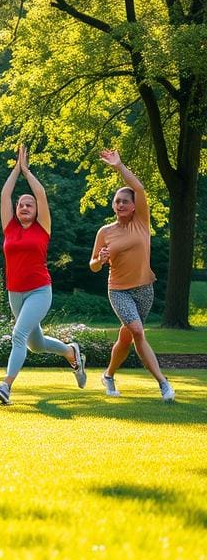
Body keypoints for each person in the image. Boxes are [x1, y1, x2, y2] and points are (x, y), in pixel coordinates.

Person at [0, 146, 86, 405]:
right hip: (15, 292)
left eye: (29, 204)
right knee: (35, 344)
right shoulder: (9, 228)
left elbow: (40, 193)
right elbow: (5, 194)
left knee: (18, 335)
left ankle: (6, 386)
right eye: (21, 204)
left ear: (36, 209)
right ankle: (70, 352)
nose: (25, 207)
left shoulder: (42, 228)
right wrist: (15, 169)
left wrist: (27, 171)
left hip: (39, 291)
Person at [89, 149, 175, 401]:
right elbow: (93, 265)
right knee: (137, 331)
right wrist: (100, 260)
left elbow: (137, 186)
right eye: (117, 201)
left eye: (125, 201)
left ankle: (108, 374)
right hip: (119, 290)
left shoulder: (142, 222)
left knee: (126, 338)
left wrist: (119, 167)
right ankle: (163, 383)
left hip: (144, 288)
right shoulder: (105, 231)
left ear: (135, 205)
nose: (120, 204)